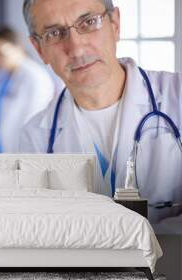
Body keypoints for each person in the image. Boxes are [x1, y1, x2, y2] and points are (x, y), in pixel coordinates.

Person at [19, 0, 182, 223]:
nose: (76, 49)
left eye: (88, 22)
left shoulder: (177, 96)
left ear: (115, 24)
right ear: (39, 49)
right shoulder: (36, 137)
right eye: (55, 33)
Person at [0, 26, 56, 153]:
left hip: (24, 152)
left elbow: (34, 120)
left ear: (18, 47)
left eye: (0, 52)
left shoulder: (35, 77)